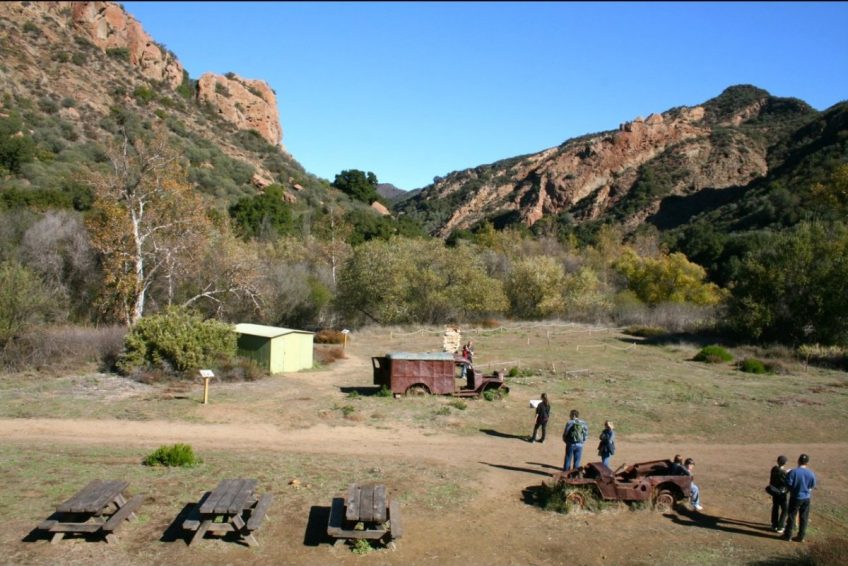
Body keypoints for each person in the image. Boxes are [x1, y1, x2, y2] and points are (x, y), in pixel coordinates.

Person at [783, 453, 816, 542]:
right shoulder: (811, 473)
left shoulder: (793, 472)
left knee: (791, 516)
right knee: (804, 517)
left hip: (795, 497)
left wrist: (793, 490)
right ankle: (801, 536)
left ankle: (788, 535)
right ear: (807, 463)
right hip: (806, 498)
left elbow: (788, 484)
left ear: (798, 461)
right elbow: (812, 485)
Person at [769, 455, 789, 534]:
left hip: (774, 491)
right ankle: (780, 526)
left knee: (775, 506)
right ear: (785, 463)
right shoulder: (783, 473)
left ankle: (774, 524)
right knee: (785, 509)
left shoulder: (774, 469)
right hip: (781, 493)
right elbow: (785, 482)